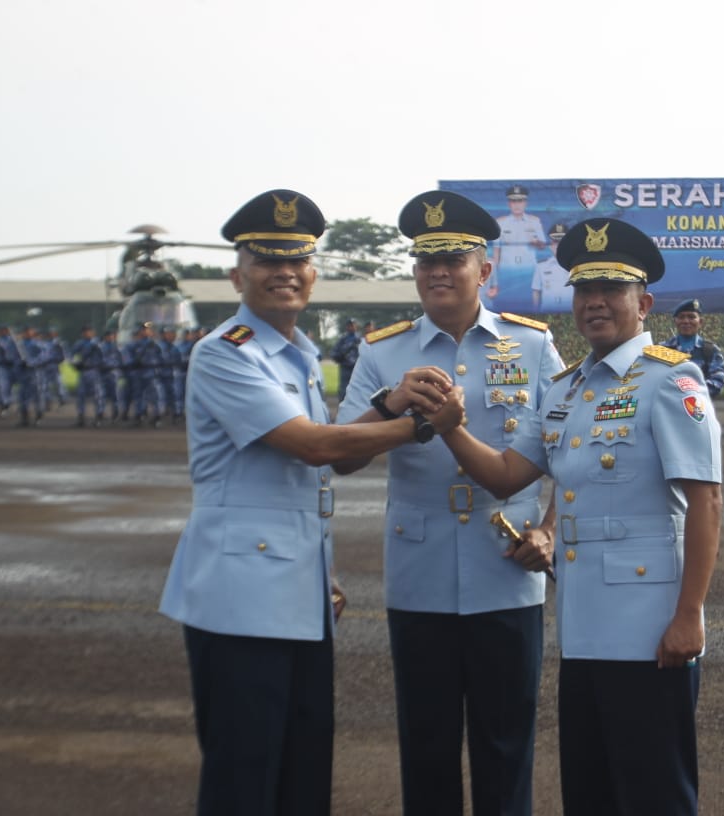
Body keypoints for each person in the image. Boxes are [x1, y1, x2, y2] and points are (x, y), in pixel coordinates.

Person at [158, 188, 462, 816]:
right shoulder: (226, 352)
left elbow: (327, 462)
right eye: (268, 261)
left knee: (302, 771)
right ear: (237, 274)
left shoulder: (294, 355)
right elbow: (313, 447)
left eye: (297, 261)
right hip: (239, 601)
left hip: (295, 594)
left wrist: (390, 404)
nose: (285, 273)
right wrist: (424, 425)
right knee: (244, 778)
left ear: (313, 273)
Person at [433, 217, 722, 816]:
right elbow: (510, 474)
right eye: (584, 292)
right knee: (590, 789)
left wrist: (690, 616)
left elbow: (706, 502)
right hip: (585, 626)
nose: (594, 304)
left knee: (654, 791)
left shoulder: (672, 379)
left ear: (642, 303)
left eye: (610, 292)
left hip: (650, 628)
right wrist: (451, 428)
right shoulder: (565, 391)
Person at [334, 190, 565, 816]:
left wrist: (549, 532)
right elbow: (343, 455)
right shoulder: (383, 352)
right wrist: (391, 404)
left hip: (506, 572)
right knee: (427, 745)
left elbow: (570, 458)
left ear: (483, 270)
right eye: (426, 261)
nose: (438, 271)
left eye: (454, 259)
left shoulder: (535, 346)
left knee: (506, 744)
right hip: (420, 578)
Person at [489, 184, 547, 307]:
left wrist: (536, 243)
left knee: (528, 306)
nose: (517, 205)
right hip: (506, 272)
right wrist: (495, 278)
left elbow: (543, 245)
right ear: (509, 204)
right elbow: (496, 252)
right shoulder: (501, 223)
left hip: (529, 273)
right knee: (505, 307)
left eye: (520, 201)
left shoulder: (534, 221)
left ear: (525, 203)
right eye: (513, 201)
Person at [663, 298, 724, 397]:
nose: (686, 321)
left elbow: (718, 382)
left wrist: (689, 392)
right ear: (675, 321)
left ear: (700, 322)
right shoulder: (663, 349)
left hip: (699, 408)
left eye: (691, 317)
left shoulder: (711, 351)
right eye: (681, 317)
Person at [69, 325, 106, 427]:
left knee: (97, 396)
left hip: (94, 371)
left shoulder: (98, 343)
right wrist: (75, 363)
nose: (87, 333)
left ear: (93, 332)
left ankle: (99, 417)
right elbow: (70, 355)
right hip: (83, 372)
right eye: (85, 332)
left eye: (89, 331)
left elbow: (103, 357)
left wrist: (98, 364)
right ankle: (81, 417)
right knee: (81, 395)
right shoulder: (79, 343)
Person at [531, 222, 572, 312]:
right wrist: (536, 311)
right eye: (555, 242)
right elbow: (536, 291)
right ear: (550, 245)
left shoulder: (576, 265)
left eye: (562, 242)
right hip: (547, 312)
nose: (558, 246)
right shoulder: (541, 266)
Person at [329, 317, 361, 403]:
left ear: (356, 326)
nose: (352, 327)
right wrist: (340, 356)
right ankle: (343, 403)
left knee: (358, 387)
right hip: (345, 367)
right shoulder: (342, 339)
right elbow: (334, 352)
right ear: (347, 327)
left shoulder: (360, 339)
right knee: (343, 388)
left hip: (357, 367)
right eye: (350, 325)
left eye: (353, 325)